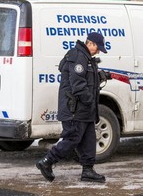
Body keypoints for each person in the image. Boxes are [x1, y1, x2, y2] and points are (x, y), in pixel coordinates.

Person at [36, 32, 109, 183]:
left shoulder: (86, 58)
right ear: (91, 44)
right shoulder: (78, 56)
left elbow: (86, 78)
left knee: (89, 139)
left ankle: (88, 170)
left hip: (85, 110)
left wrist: (101, 75)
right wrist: (89, 100)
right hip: (75, 109)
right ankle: (47, 161)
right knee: (72, 138)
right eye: (98, 48)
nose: (99, 51)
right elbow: (78, 85)